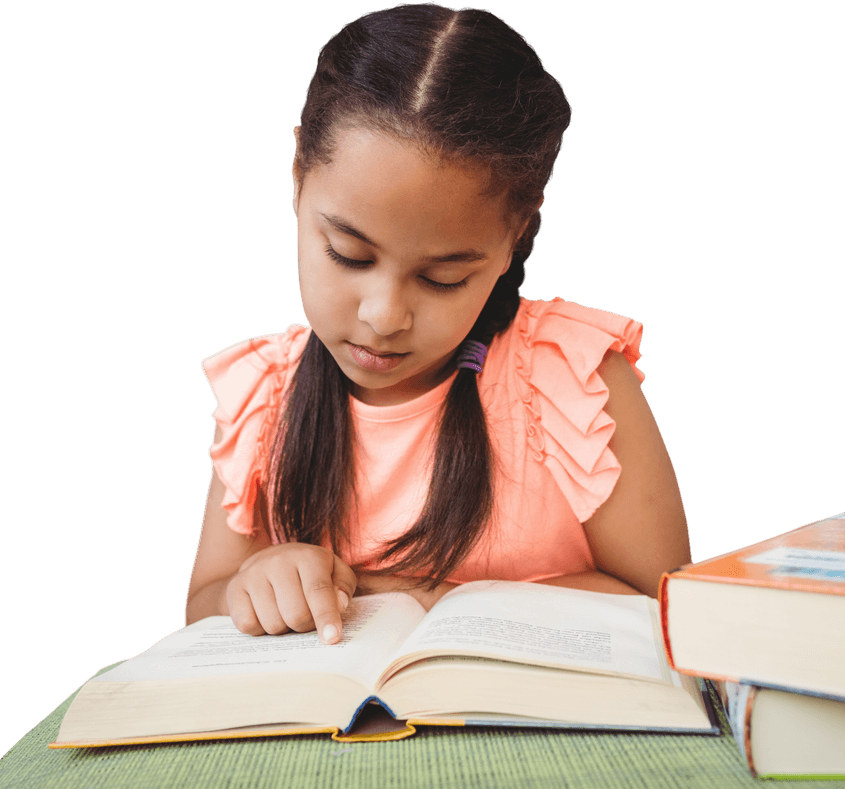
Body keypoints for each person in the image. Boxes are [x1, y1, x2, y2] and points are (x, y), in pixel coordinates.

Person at [184, 3, 690, 645]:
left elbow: (667, 599)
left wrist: (411, 598)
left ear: (515, 235)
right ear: (297, 175)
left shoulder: (570, 380)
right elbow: (204, 600)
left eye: (443, 279)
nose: (383, 316)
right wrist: (254, 583)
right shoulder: (268, 396)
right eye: (349, 255)